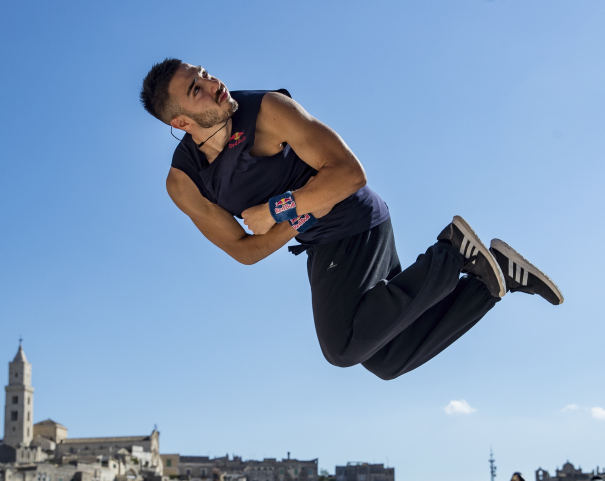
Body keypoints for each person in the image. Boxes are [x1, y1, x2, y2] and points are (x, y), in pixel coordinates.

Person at [140, 60, 565, 381]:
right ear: (181, 122)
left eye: (205, 73)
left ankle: (452, 253)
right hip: (320, 238)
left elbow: (349, 174)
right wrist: (301, 215)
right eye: (197, 89)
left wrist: (278, 210)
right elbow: (244, 250)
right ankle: (490, 281)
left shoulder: (268, 110)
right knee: (386, 359)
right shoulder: (184, 182)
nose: (214, 84)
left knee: (342, 348)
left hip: (354, 221)